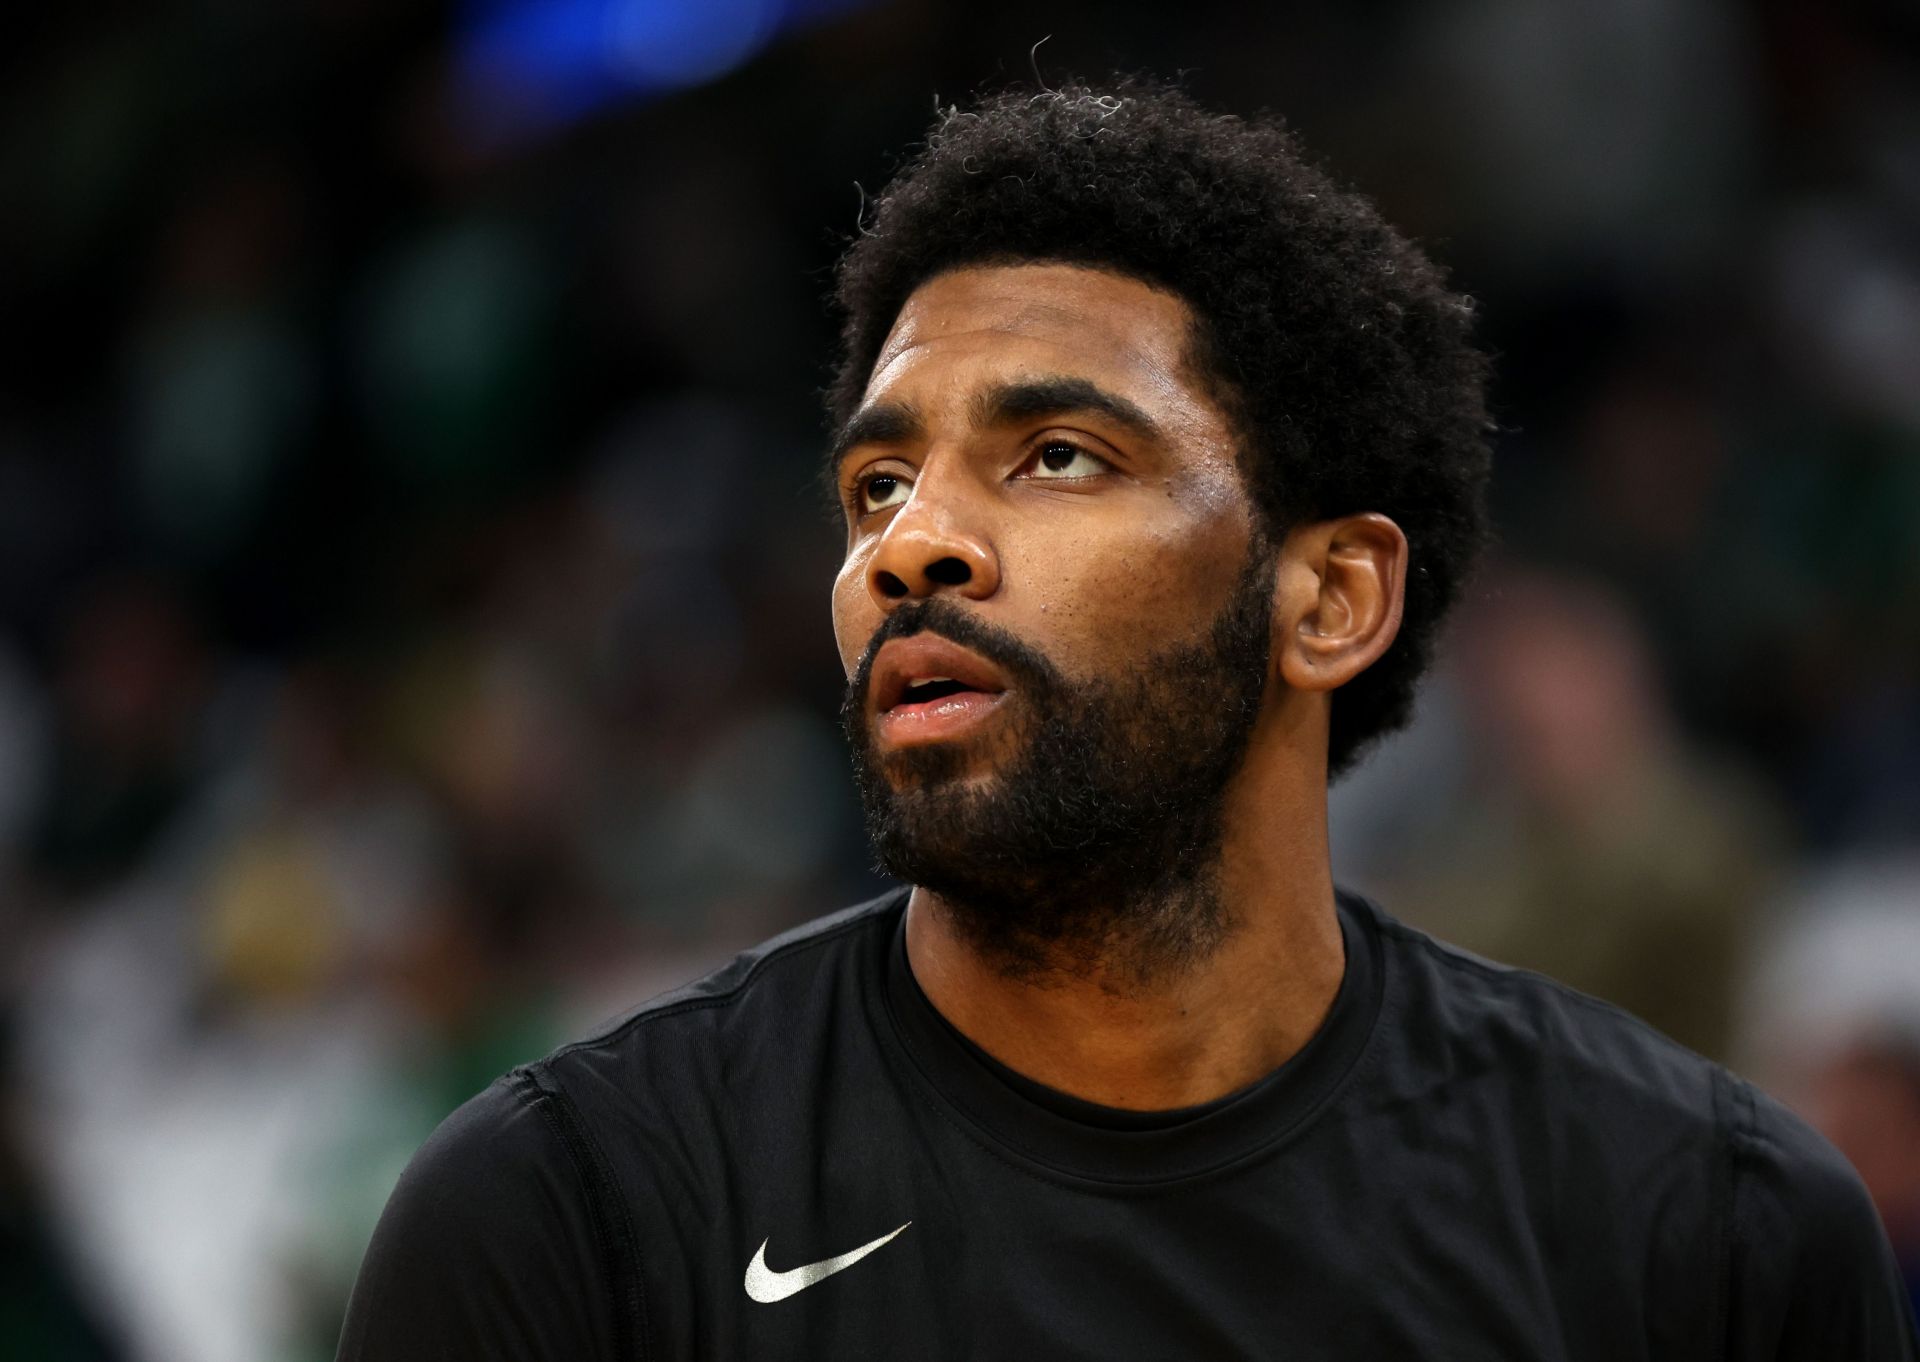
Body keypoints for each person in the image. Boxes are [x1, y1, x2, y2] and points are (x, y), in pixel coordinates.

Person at [338, 80, 1918, 1359]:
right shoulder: (574, 1216)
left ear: (1330, 601)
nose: (907, 544)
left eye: (1060, 454)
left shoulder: (1707, 1233)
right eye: (876, 486)